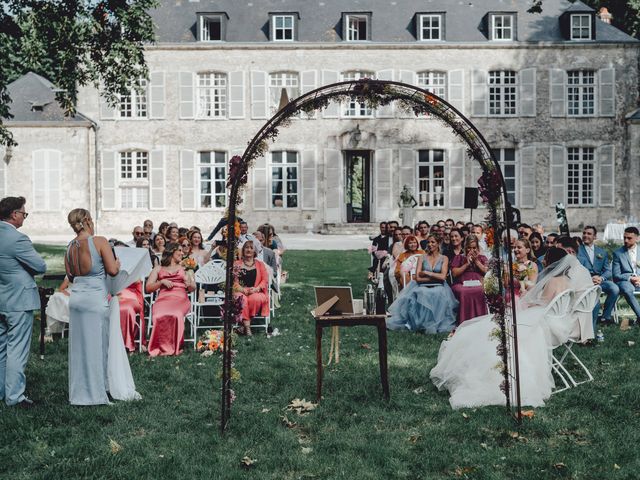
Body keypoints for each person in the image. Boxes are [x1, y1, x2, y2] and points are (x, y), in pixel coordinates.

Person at [431, 248, 592, 409]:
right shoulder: (568, 281)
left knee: (499, 328)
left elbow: (543, 304)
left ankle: (491, 374)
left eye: (546, 258)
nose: (543, 261)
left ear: (553, 262)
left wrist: (527, 303)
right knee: (503, 323)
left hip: (545, 323)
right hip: (559, 322)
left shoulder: (551, 281)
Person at [65, 208, 120, 405]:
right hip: (94, 300)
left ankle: (79, 394)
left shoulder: (70, 246)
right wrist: (118, 263)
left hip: (76, 300)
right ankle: (98, 394)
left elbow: (70, 276)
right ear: (88, 220)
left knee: (79, 348)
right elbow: (112, 271)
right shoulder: (99, 241)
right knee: (98, 346)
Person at [0, 196, 47, 407]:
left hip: (2, 299)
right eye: (23, 213)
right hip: (18, 300)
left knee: (1, 348)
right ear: (14, 214)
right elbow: (40, 266)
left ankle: (2, 391)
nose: (24, 217)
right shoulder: (17, 239)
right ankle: (15, 397)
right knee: (17, 349)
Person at [386, 234, 458, 333]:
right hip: (421, 285)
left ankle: (435, 322)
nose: (430, 244)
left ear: (438, 244)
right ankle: (420, 323)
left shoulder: (444, 258)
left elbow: (443, 277)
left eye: (433, 242)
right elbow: (418, 278)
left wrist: (426, 273)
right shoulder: (422, 257)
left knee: (438, 293)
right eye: (428, 242)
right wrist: (434, 278)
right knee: (422, 293)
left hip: (440, 286)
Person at [146, 243, 195, 356]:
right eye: (179, 250)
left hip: (180, 298)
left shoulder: (185, 267)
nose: (182, 253)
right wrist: (161, 282)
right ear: (171, 251)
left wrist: (189, 284)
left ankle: (174, 347)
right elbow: (148, 288)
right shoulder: (158, 268)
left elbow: (193, 288)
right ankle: (159, 347)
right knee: (158, 315)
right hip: (163, 298)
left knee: (176, 314)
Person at [577, 226, 619, 329]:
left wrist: (601, 278)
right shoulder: (577, 250)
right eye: (584, 233)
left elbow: (608, 270)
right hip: (585, 281)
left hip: (600, 280)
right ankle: (591, 322)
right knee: (595, 298)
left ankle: (605, 317)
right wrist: (589, 278)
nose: (585, 235)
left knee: (615, 288)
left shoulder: (602, 252)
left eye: (589, 234)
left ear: (595, 236)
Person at [451, 235, 489, 324]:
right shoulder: (459, 257)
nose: (471, 250)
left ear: (477, 247)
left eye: (474, 248)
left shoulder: (482, 258)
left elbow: (486, 272)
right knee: (464, 292)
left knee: (481, 290)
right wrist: (466, 264)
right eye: (469, 248)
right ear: (465, 247)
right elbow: (454, 273)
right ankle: (464, 321)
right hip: (461, 283)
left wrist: (476, 261)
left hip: (479, 283)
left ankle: (481, 320)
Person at [234, 240, 269, 336]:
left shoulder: (260, 264)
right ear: (243, 250)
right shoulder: (236, 264)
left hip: (256, 291)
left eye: (251, 248)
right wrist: (242, 289)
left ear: (254, 251)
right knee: (242, 299)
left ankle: (243, 325)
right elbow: (233, 281)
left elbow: (265, 280)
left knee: (255, 299)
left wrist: (257, 289)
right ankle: (248, 328)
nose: (248, 250)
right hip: (240, 290)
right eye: (246, 247)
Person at [612, 226, 640, 323]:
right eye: (624, 238)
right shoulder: (617, 253)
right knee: (627, 290)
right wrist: (630, 278)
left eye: (629, 238)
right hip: (625, 281)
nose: (626, 240)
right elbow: (616, 275)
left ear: (637, 238)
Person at [118, 279, 144, 353]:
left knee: (127, 309)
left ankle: (128, 342)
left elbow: (138, 281)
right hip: (116, 296)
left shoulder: (134, 268)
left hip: (131, 297)